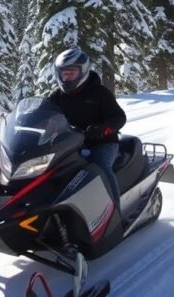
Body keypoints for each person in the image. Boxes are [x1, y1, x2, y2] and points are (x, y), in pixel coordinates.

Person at [47, 47, 127, 212]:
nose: (67, 77)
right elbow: (42, 113)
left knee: (99, 167)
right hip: (69, 144)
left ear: (82, 72)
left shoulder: (99, 93)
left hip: (101, 143)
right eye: (64, 73)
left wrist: (102, 128)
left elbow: (119, 117)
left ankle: (114, 211)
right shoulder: (57, 96)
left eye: (72, 73)